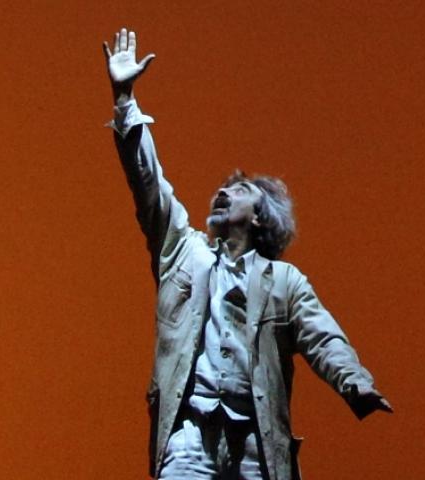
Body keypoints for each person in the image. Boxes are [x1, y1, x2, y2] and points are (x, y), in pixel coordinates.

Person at [103, 28, 392, 480]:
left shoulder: (285, 281)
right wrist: (125, 101)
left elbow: (322, 337)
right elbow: (148, 185)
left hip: (256, 444)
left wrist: (355, 382)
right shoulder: (184, 252)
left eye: (239, 190)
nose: (223, 192)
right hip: (189, 438)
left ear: (260, 217)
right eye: (223, 188)